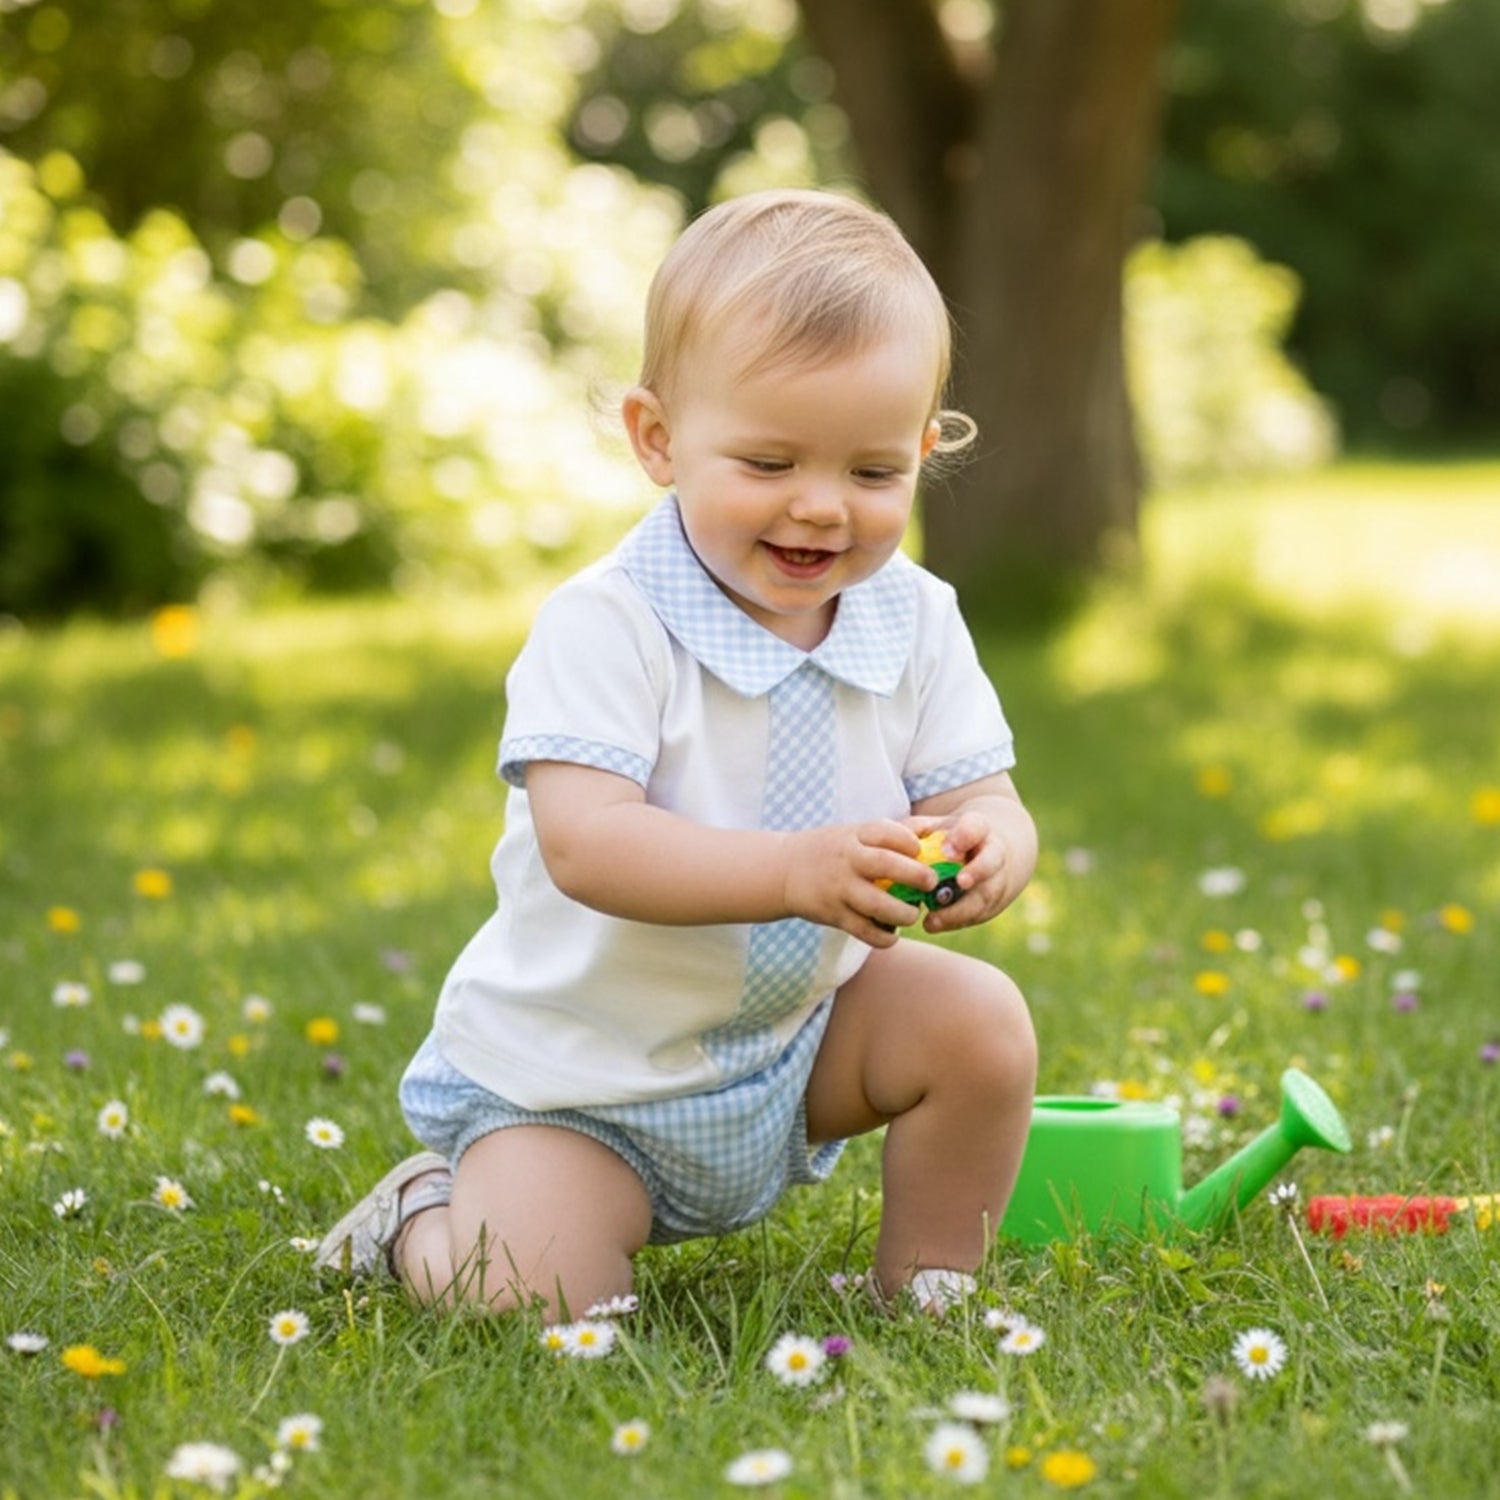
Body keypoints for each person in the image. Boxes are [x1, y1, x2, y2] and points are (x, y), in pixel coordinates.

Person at [316, 188, 1039, 1321]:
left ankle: (927, 1290)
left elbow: (980, 790)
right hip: (584, 1085)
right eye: (768, 462)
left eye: (871, 473)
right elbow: (587, 844)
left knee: (978, 1022)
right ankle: (421, 1217)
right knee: (541, 1299)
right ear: (657, 439)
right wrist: (793, 872)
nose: (821, 508)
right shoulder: (610, 622)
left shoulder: (914, 617)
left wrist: (994, 845)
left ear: (924, 450)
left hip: (796, 1044)